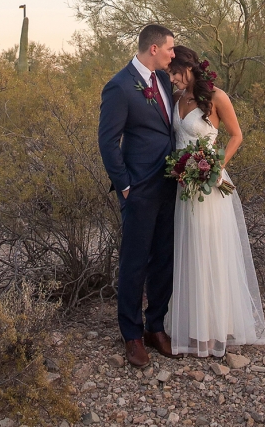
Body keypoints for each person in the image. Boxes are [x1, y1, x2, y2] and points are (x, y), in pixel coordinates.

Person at [165, 44, 265, 357]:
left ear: (189, 68)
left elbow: (236, 135)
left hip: (209, 186)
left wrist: (217, 165)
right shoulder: (176, 98)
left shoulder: (217, 98)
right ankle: (192, 326)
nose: (172, 80)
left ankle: (214, 328)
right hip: (183, 186)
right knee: (188, 251)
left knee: (211, 252)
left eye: (174, 73)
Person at [98, 24, 177, 367]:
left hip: (171, 187)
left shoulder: (162, 81)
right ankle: (131, 334)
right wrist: (126, 185)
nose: (173, 55)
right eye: (170, 49)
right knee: (134, 263)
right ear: (154, 49)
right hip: (140, 190)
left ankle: (155, 326)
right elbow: (107, 141)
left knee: (164, 260)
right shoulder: (119, 86)